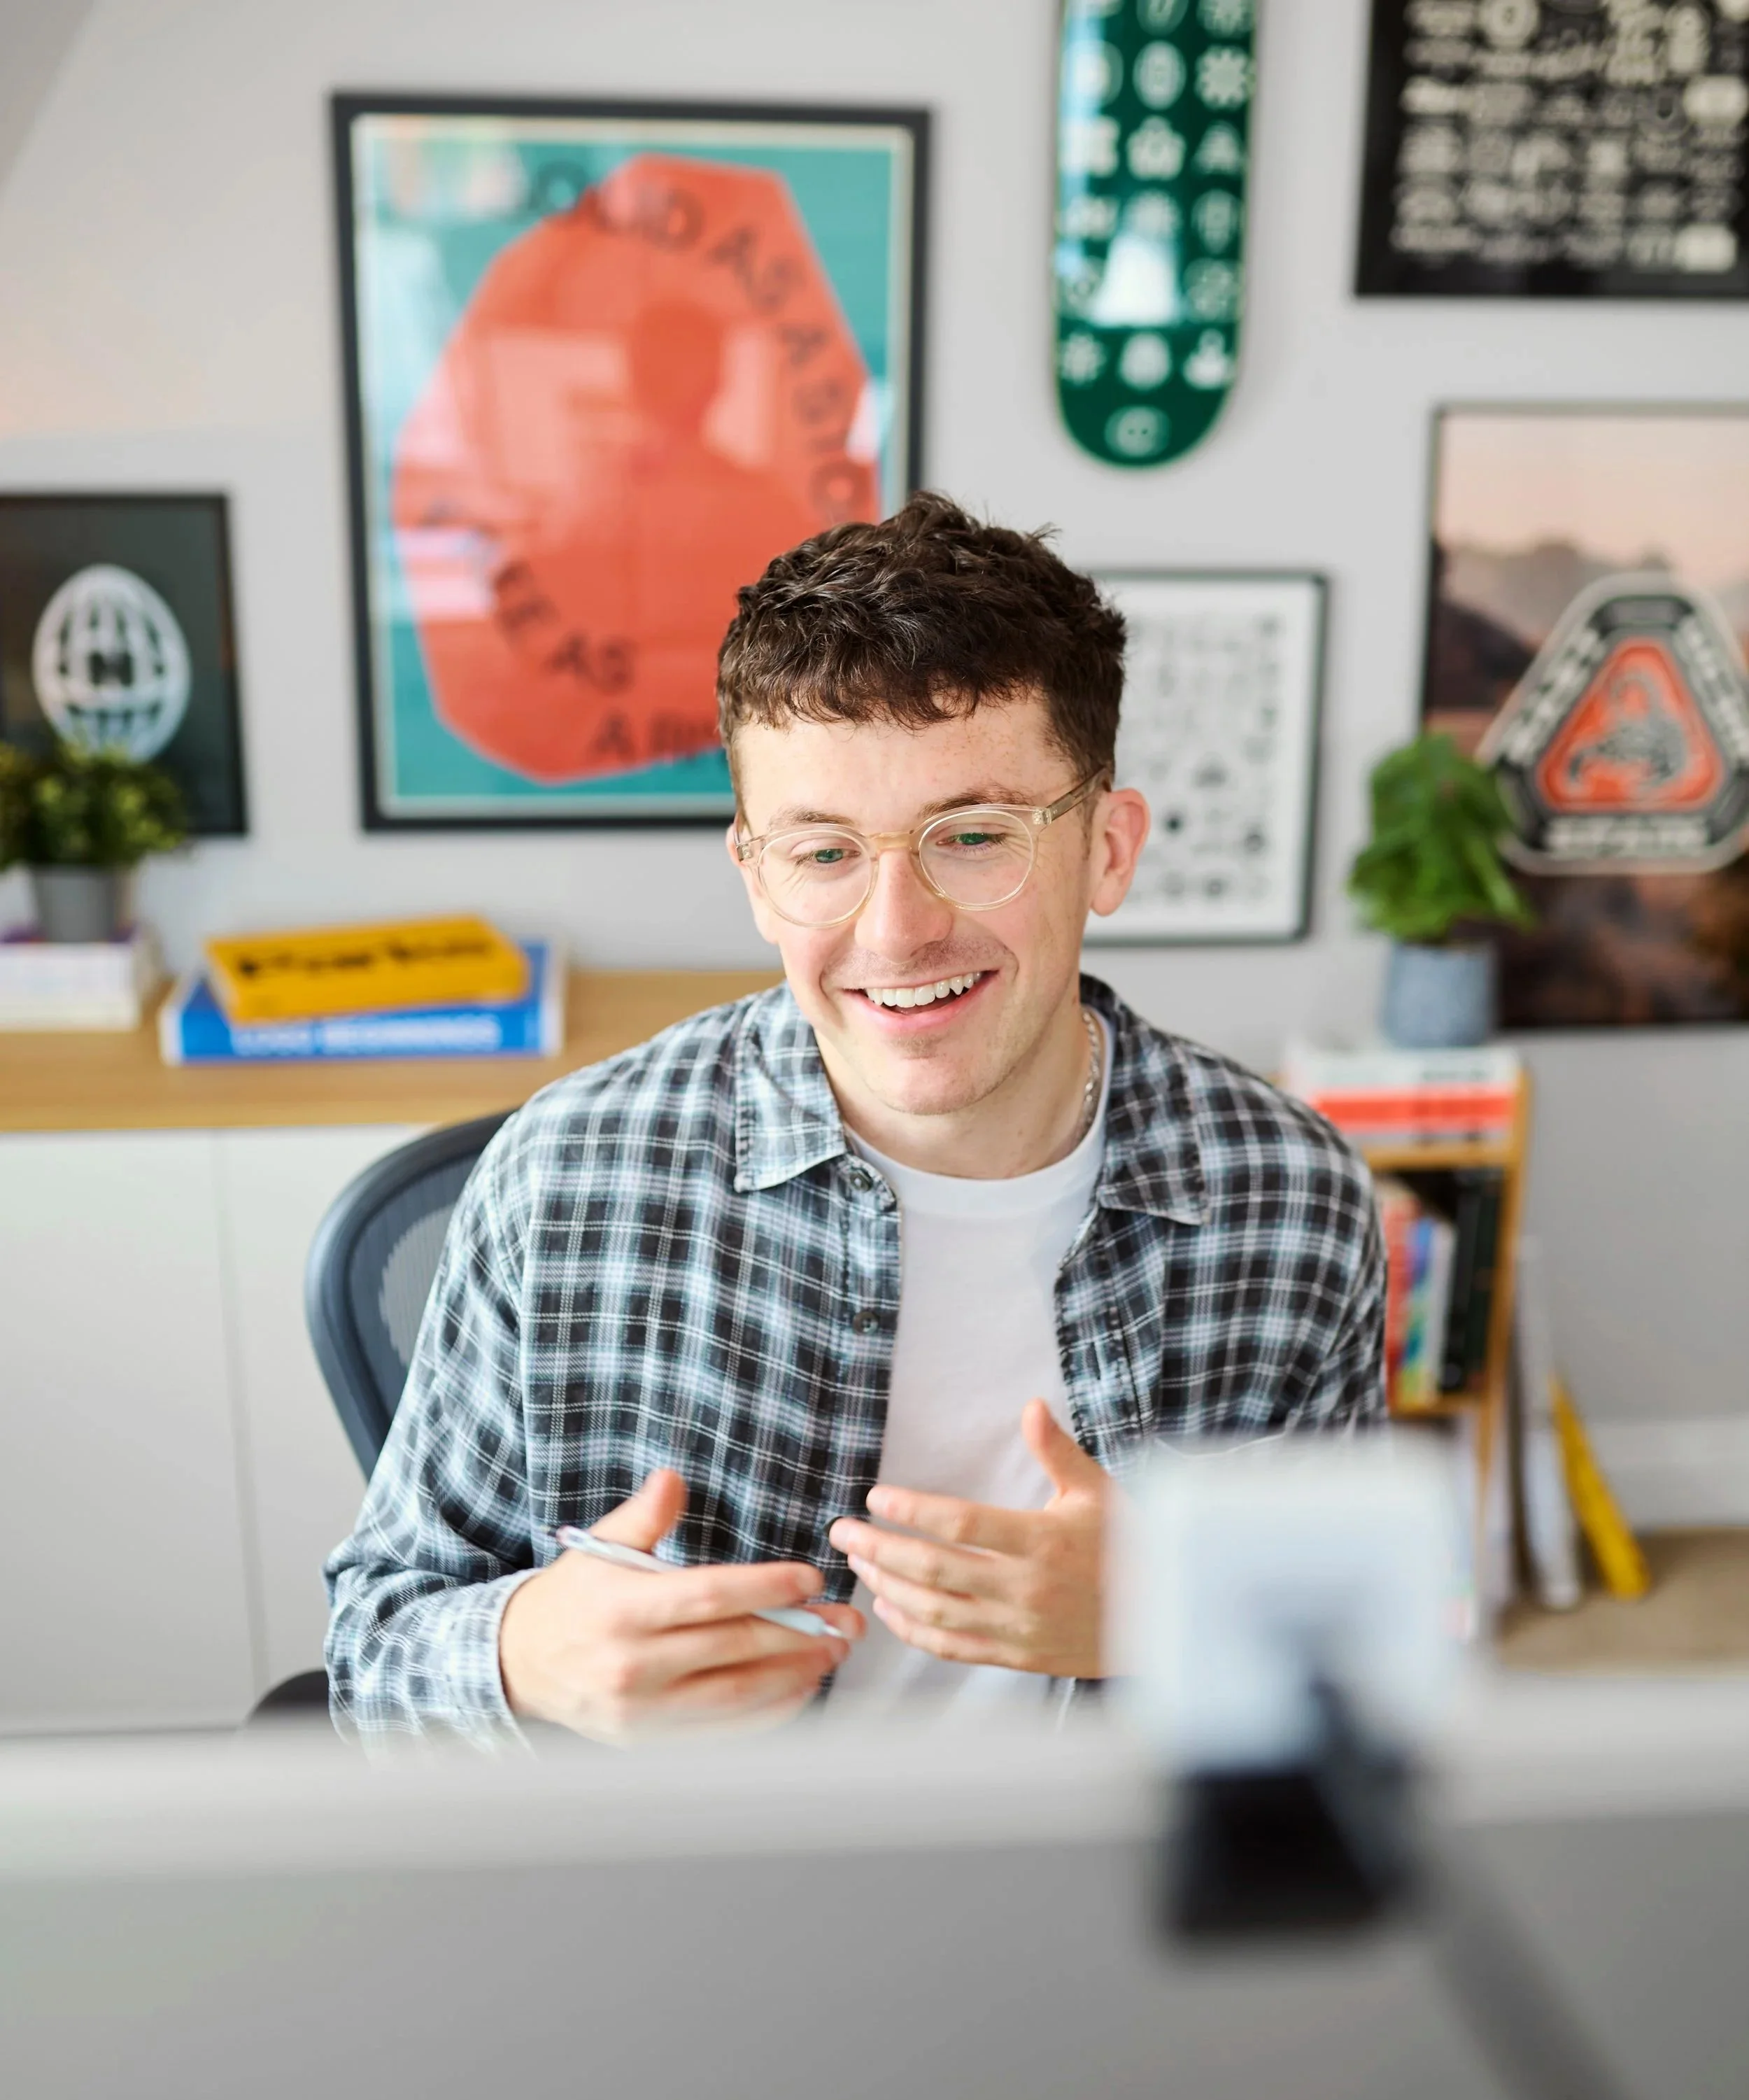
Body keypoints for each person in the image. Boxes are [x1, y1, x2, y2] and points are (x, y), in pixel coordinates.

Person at [325, 493, 1385, 1744]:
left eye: (974, 836)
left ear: (1107, 848)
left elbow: (1360, 1665)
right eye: (824, 853)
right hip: (706, 1899)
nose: (897, 932)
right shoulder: (560, 1181)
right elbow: (371, 1655)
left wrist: (1178, 1610)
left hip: (1098, 1899)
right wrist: (523, 1659)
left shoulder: (1294, 1202)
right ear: (755, 877)